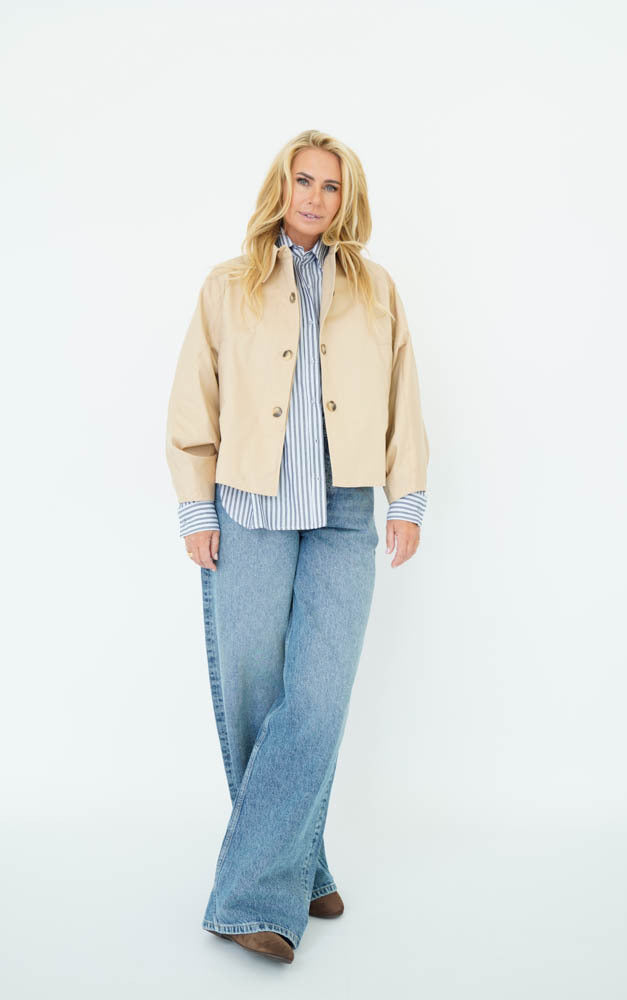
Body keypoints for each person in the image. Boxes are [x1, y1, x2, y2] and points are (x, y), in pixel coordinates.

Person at [165, 129, 430, 963]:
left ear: (348, 199)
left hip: (344, 511)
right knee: (254, 698)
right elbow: (194, 400)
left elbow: (402, 392)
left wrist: (406, 495)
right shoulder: (228, 285)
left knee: (315, 700)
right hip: (247, 506)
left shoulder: (376, 288)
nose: (314, 197)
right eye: (302, 180)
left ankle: (249, 900)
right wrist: (195, 510)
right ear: (280, 187)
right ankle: (301, 867)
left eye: (330, 185)